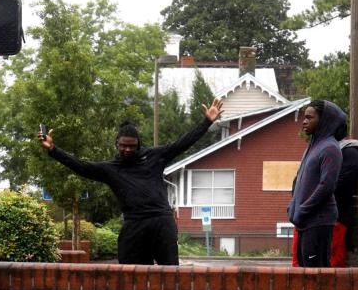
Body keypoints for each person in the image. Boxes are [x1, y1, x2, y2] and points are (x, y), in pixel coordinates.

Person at [37, 99, 224, 265]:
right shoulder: (110, 169)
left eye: (132, 146)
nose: (127, 149)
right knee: (130, 274)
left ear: (138, 145)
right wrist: (54, 150)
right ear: (116, 143)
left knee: (170, 276)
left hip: (161, 221)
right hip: (135, 225)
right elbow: (81, 166)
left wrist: (206, 121)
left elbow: (182, 143)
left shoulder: (154, 156)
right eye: (123, 146)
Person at [291, 121, 358, 267]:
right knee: (301, 265)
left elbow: (334, 185)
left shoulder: (349, 150)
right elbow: (298, 182)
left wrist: (306, 201)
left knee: (329, 266)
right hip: (306, 217)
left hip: (330, 219)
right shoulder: (315, 150)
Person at [287, 100, 344, 267]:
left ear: (324, 120)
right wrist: (293, 206)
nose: (304, 121)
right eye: (304, 117)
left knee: (316, 277)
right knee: (304, 274)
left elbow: (327, 185)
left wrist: (303, 209)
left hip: (319, 221)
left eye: (309, 118)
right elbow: (300, 180)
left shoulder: (330, 148)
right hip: (305, 221)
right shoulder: (312, 148)